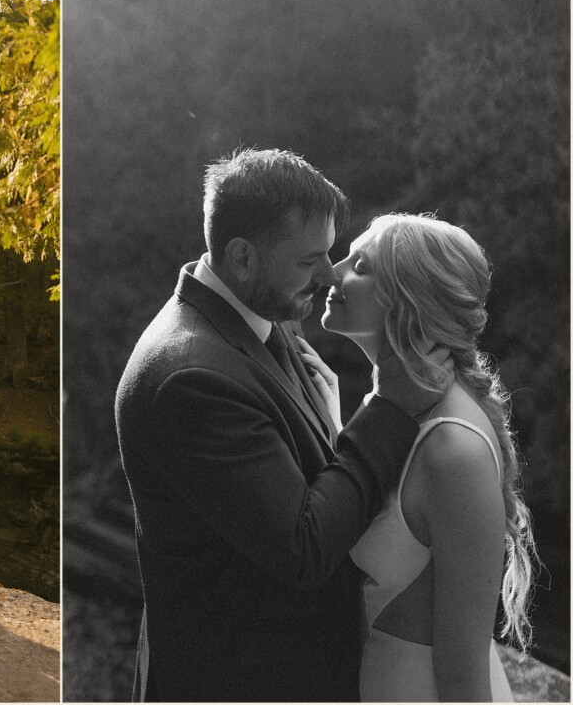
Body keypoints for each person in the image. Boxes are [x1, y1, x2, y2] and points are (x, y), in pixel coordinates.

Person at [114, 148, 452, 701]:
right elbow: (304, 548)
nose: (327, 275)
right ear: (243, 256)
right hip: (237, 681)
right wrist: (388, 408)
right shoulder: (191, 377)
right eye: (308, 260)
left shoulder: (255, 318)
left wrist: (334, 422)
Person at [309, 213, 536, 700]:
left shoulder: (456, 453)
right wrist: (333, 424)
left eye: (362, 265)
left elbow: (463, 678)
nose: (333, 272)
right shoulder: (392, 406)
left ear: (410, 300)